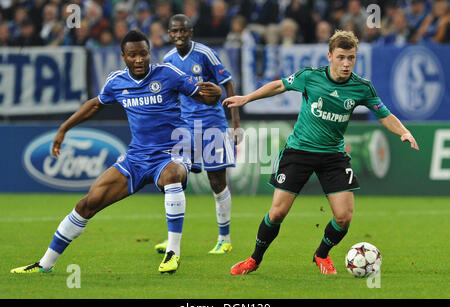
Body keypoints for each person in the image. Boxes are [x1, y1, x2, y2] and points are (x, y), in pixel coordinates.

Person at [10, 30, 222, 275]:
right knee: (87, 204)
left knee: (172, 175)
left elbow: (205, 96)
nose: (139, 59)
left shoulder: (168, 74)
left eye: (143, 53)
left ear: (149, 53)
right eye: (133, 55)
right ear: (124, 56)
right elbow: (95, 105)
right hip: (137, 157)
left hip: (172, 150)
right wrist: (64, 128)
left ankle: (172, 253)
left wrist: (215, 94)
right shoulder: (117, 82)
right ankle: (44, 264)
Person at [223, 30, 419, 276]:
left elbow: (384, 114)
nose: (346, 63)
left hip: (333, 156)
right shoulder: (310, 77)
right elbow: (279, 85)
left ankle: (321, 254)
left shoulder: (362, 87)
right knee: (277, 212)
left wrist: (403, 131)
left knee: (344, 217)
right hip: (299, 151)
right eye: (341, 57)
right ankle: (254, 259)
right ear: (330, 56)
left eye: (351, 58)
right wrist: (247, 98)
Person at [154, 14, 240, 255]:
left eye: (183, 31)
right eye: (174, 31)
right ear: (169, 34)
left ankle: (225, 238)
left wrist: (235, 123)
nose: (179, 35)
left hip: (212, 123)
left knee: (216, 182)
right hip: (183, 127)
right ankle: (171, 239)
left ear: (190, 32)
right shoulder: (168, 59)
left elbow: (228, 83)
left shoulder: (205, 53)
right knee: (174, 180)